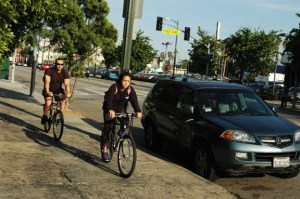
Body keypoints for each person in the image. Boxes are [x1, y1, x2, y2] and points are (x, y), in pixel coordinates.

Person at [101, 71, 142, 162]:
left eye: (128, 81)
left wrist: (138, 111)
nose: (126, 83)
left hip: (120, 110)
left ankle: (122, 132)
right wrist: (110, 109)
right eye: (124, 80)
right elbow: (108, 100)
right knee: (109, 128)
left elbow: (134, 101)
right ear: (120, 80)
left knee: (126, 119)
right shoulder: (114, 87)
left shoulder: (130, 89)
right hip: (109, 109)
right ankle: (105, 150)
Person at [41, 58, 71, 124]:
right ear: (55, 64)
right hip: (49, 89)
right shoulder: (49, 70)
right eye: (58, 64)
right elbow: (47, 82)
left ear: (63, 65)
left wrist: (68, 93)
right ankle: (45, 115)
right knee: (48, 103)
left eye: (61, 64)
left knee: (63, 100)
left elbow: (66, 84)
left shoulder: (64, 72)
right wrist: (48, 91)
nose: (60, 65)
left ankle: (60, 116)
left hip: (58, 90)